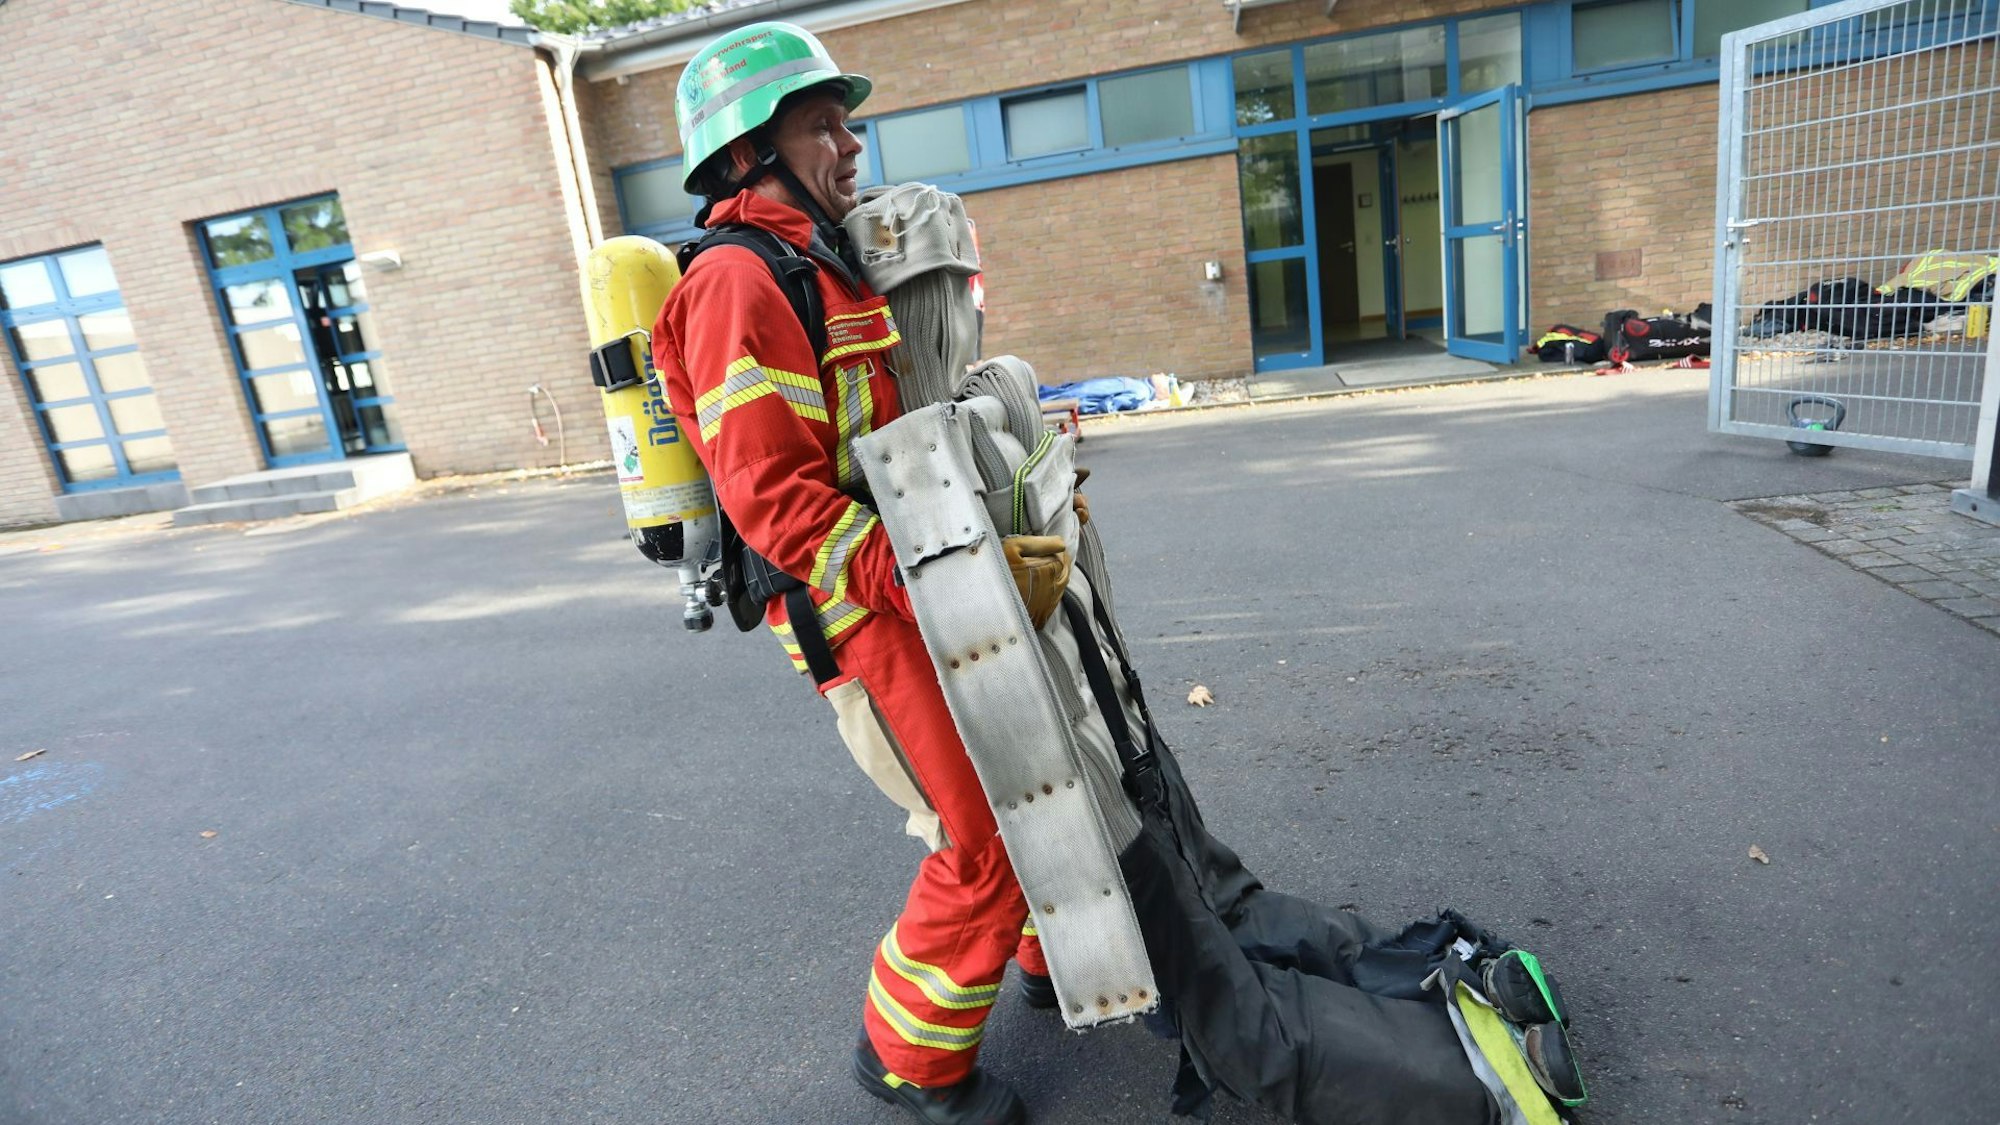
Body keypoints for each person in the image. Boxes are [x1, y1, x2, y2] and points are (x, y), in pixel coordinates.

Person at [650, 22, 1053, 1125]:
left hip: (911, 584)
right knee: (974, 836)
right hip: (857, 609)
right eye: (822, 124)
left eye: (848, 121)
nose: (851, 142)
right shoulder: (739, 281)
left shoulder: (819, 258)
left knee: (1022, 775)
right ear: (744, 155)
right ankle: (906, 1062)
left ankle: (1038, 954)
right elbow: (775, 503)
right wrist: (928, 573)